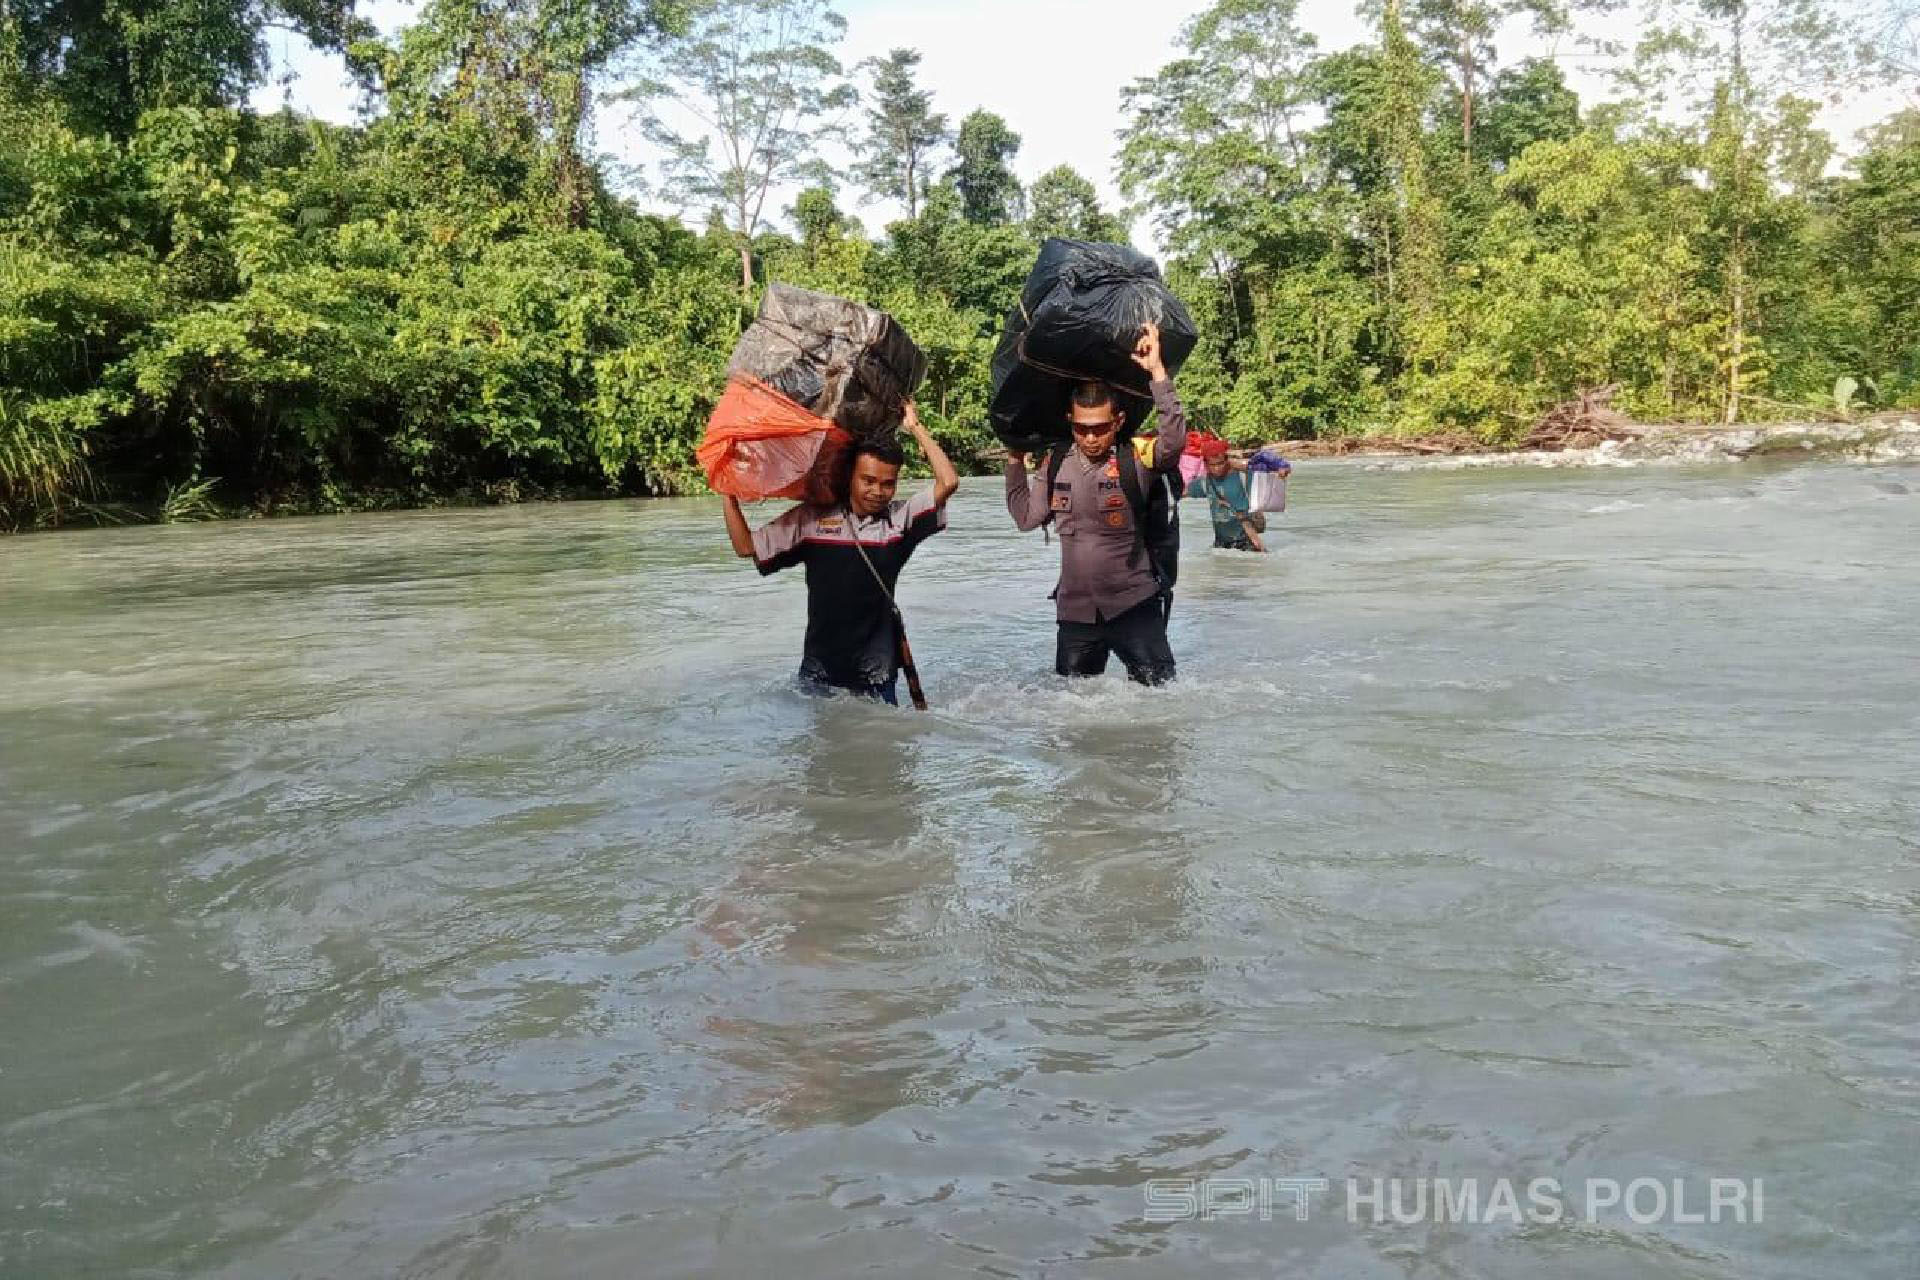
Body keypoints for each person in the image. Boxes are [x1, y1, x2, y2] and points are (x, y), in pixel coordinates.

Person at [723, 401, 959, 704]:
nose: (877, 492)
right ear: (849, 476)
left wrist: (915, 427)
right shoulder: (811, 520)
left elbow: (949, 481)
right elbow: (746, 547)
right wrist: (728, 496)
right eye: (868, 481)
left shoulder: (900, 523)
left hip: (877, 671)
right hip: (820, 670)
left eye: (888, 484)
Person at [1005, 323, 1187, 685]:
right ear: (1070, 421)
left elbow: (1173, 443)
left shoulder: (1135, 458)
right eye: (1082, 428)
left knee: (1162, 698)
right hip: (1076, 613)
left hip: (1134, 604)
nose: (1091, 437)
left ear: (1118, 422)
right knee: (1073, 711)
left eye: (1100, 428)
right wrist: (1013, 463)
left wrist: (1157, 373)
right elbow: (1027, 518)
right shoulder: (1054, 463)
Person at [1187, 438, 1267, 552]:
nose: (1217, 468)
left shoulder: (1242, 476)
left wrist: (1242, 466)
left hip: (1247, 541)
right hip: (1221, 544)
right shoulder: (1205, 482)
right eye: (1212, 465)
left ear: (1227, 460)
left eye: (1220, 463)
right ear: (1205, 464)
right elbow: (1179, 492)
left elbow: (1268, 473)